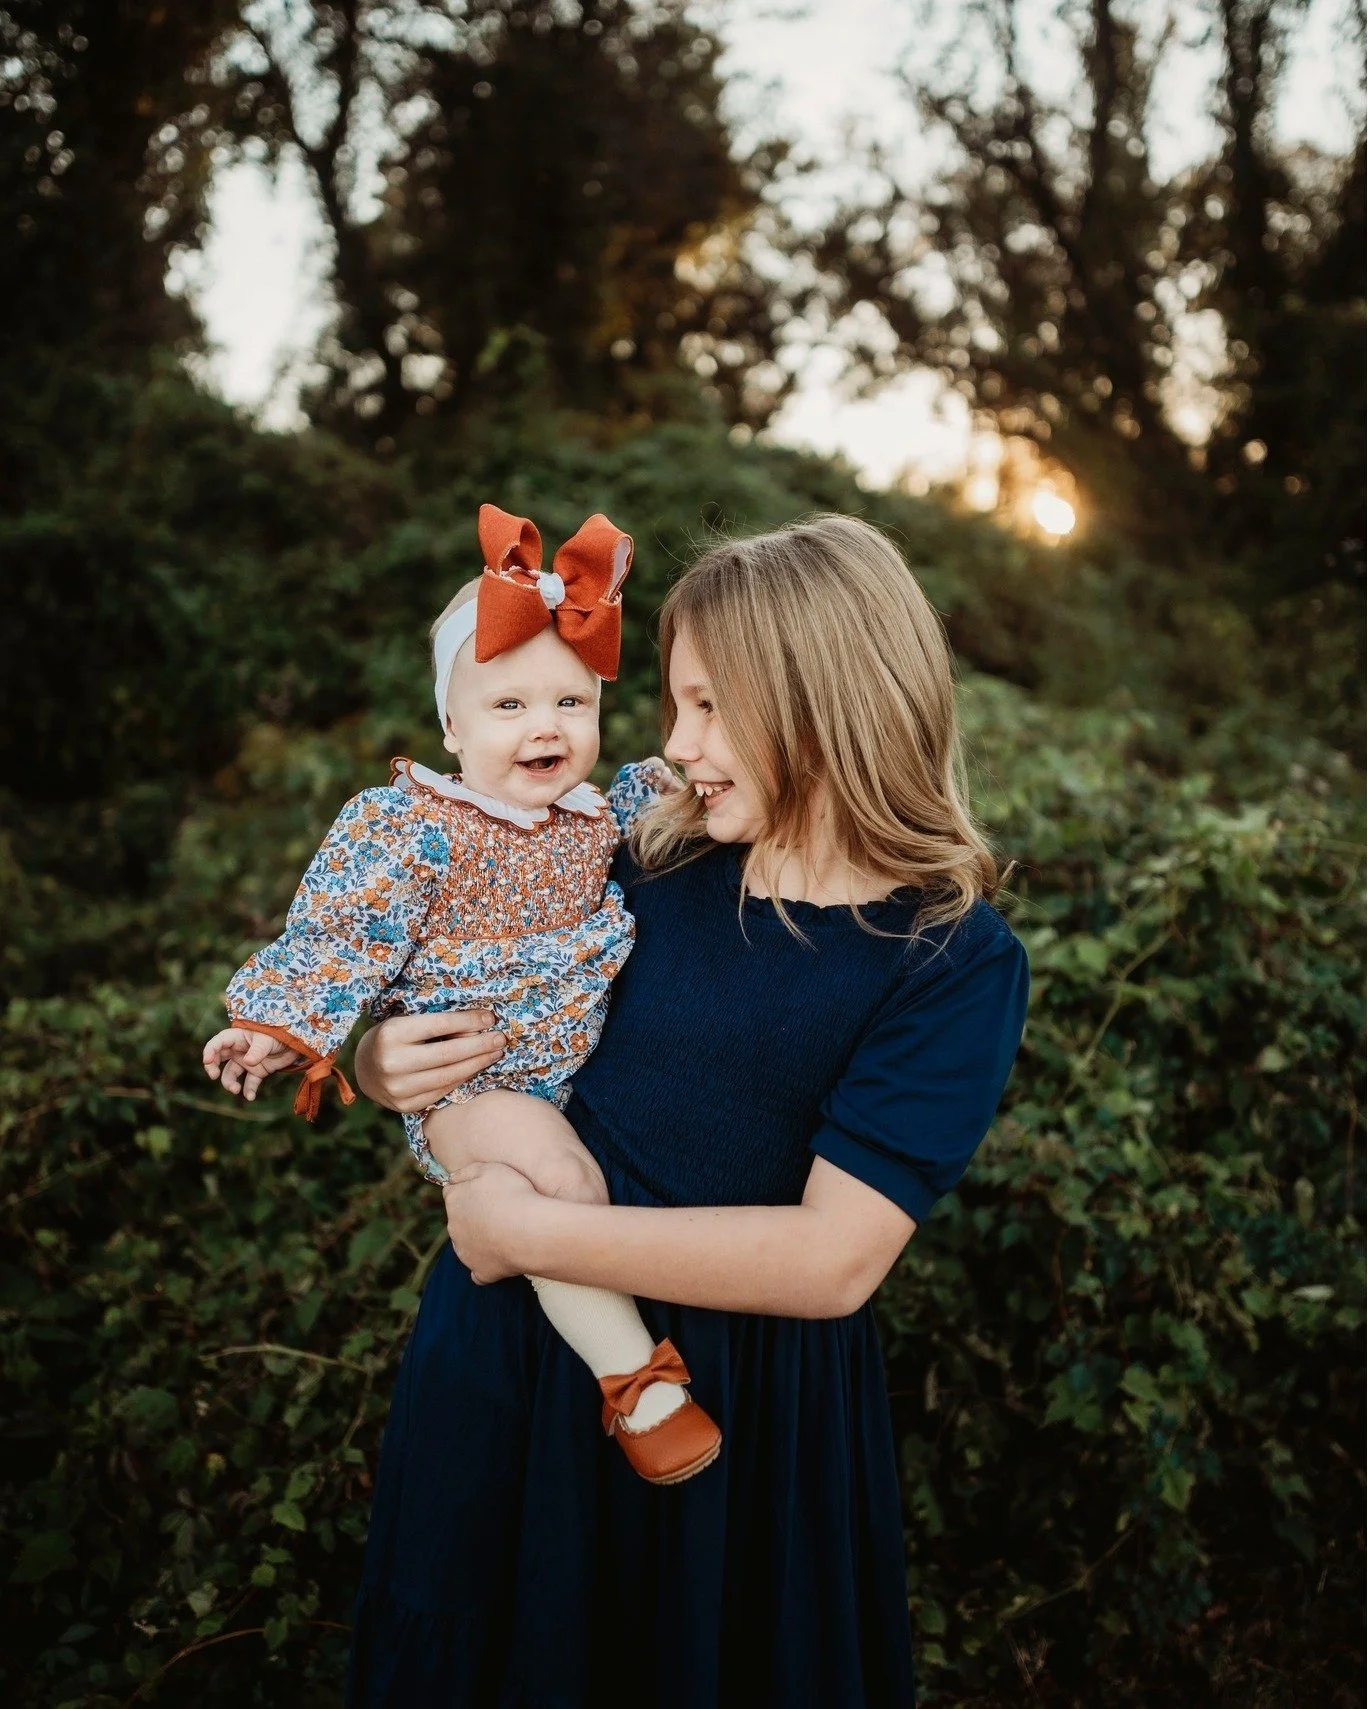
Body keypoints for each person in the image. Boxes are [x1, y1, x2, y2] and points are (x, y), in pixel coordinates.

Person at [347, 514, 1031, 1708]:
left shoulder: (944, 956)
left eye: (709, 707)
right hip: (512, 1366)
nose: (677, 745)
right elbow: (455, 986)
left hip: (735, 1410)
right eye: (670, 705)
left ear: (820, 699)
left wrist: (526, 1237)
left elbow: (833, 1258)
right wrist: (378, 1062)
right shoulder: (639, 855)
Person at [201, 502, 722, 1485]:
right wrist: (279, 1028)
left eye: (572, 703)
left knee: (562, 1181)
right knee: (561, 1180)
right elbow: (341, 932)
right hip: (472, 1090)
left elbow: (664, 804)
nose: (546, 727)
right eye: (509, 706)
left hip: (564, 1071)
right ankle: (636, 1382)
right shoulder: (414, 826)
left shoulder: (592, 816)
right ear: (451, 723)